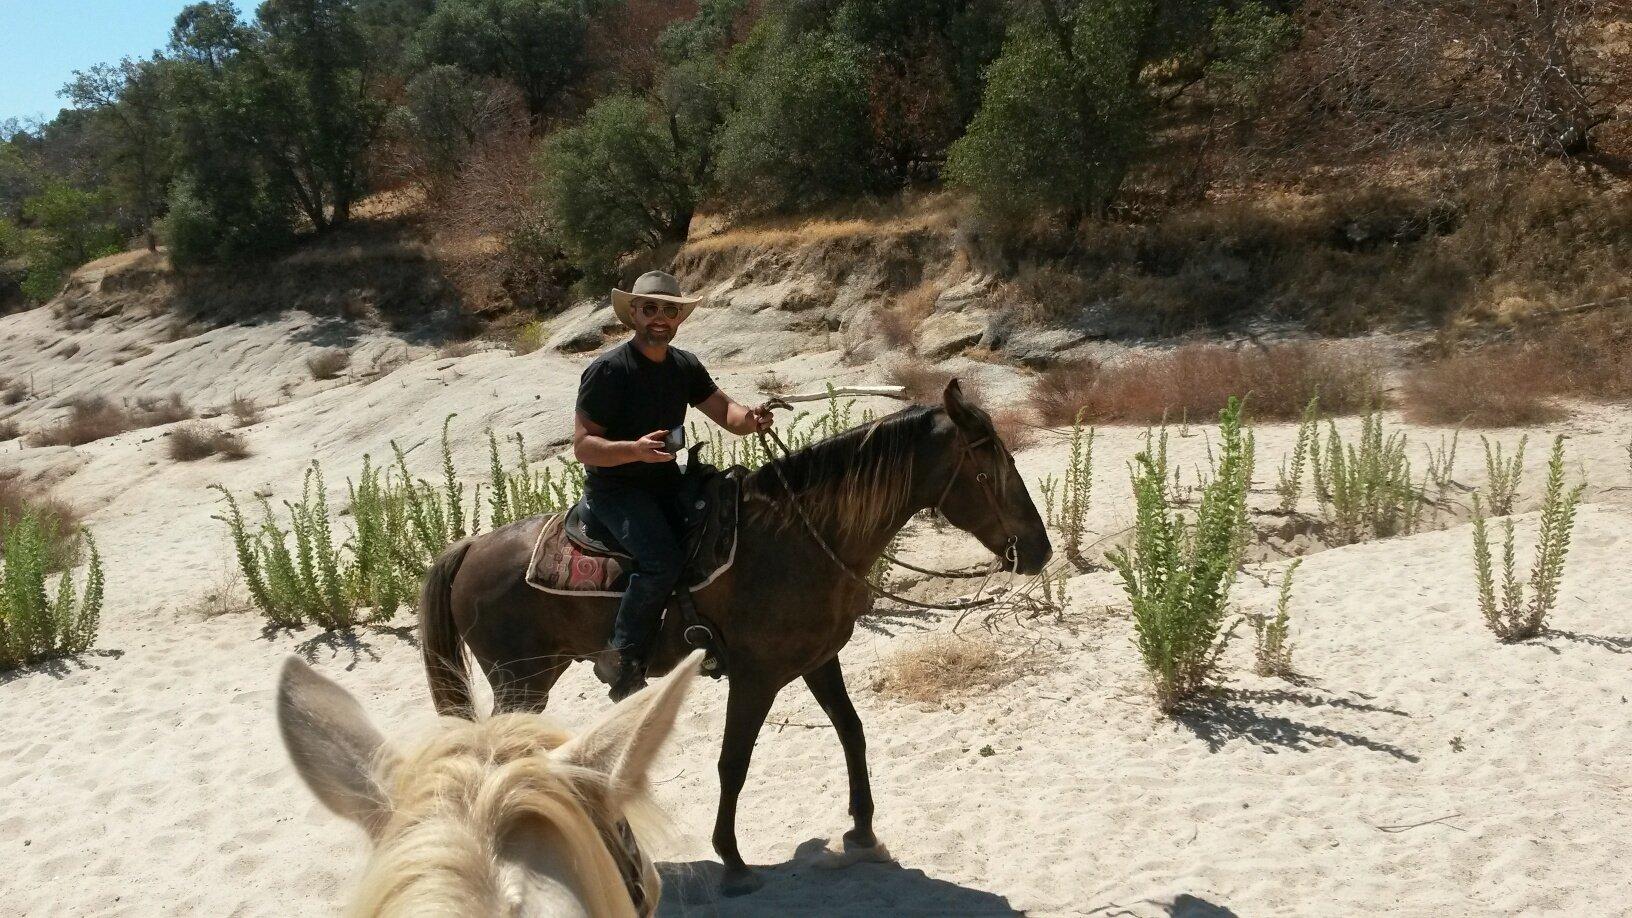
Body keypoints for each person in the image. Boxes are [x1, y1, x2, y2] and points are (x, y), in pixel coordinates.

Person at [574, 270, 772, 700]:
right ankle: (622, 657)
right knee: (661, 560)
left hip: (667, 480)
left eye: (669, 310)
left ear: (679, 317)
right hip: (617, 490)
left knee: (729, 524)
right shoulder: (608, 371)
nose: (659, 317)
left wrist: (751, 420)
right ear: (634, 315)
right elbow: (584, 447)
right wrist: (634, 450)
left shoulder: (684, 365)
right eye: (650, 309)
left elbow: (726, 413)